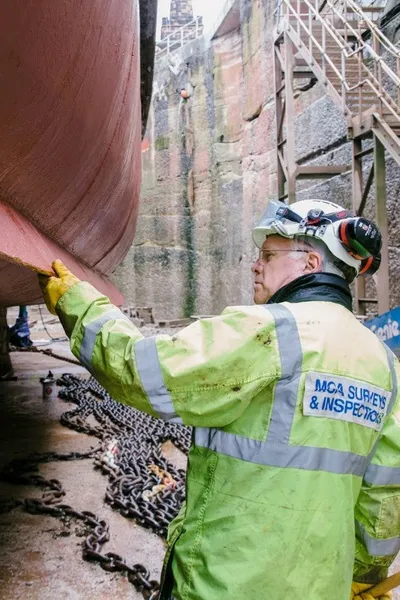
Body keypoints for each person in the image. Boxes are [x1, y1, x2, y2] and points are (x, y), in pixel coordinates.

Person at [39, 199, 400, 600]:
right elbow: (385, 493)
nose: (255, 265)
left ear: (310, 264)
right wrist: (365, 577)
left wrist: (78, 304)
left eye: (267, 255)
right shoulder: (383, 362)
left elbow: (143, 372)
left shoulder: (268, 331)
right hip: (321, 588)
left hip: (227, 583)